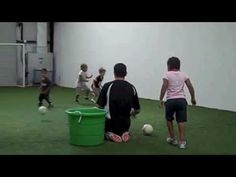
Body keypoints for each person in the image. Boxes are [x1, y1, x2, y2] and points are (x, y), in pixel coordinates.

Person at [97, 63, 140, 143]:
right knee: (125, 122)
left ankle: (109, 134)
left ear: (114, 73)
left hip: (110, 124)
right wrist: (133, 114)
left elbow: (100, 107)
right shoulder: (132, 87)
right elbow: (137, 110)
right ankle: (125, 132)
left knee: (103, 124)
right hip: (125, 123)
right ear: (126, 73)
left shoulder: (107, 86)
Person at [159, 57, 196, 149]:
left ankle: (173, 138)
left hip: (170, 100)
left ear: (169, 66)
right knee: (181, 121)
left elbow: (164, 87)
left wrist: (160, 99)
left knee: (169, 119)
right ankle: (182, 142)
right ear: (179, 66)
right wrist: (193, 98)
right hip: (181, 100)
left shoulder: (167, 74)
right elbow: (190, 86)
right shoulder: (184, 74)